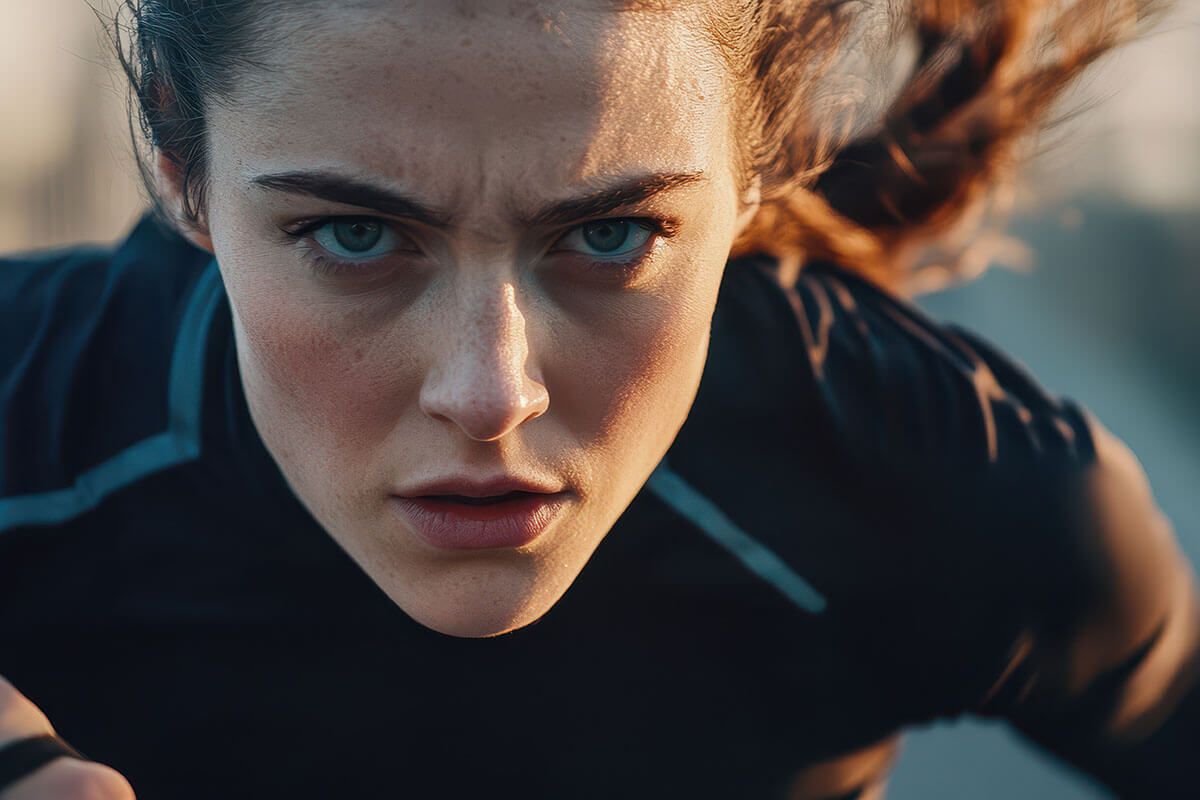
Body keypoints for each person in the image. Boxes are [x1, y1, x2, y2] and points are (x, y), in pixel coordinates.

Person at [0, 0, 1196, 797]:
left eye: (612, 233)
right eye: (356, 235)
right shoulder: (34, 417)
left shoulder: (951, 483)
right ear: (179, 171)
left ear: (758, 166)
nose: (488, 392)